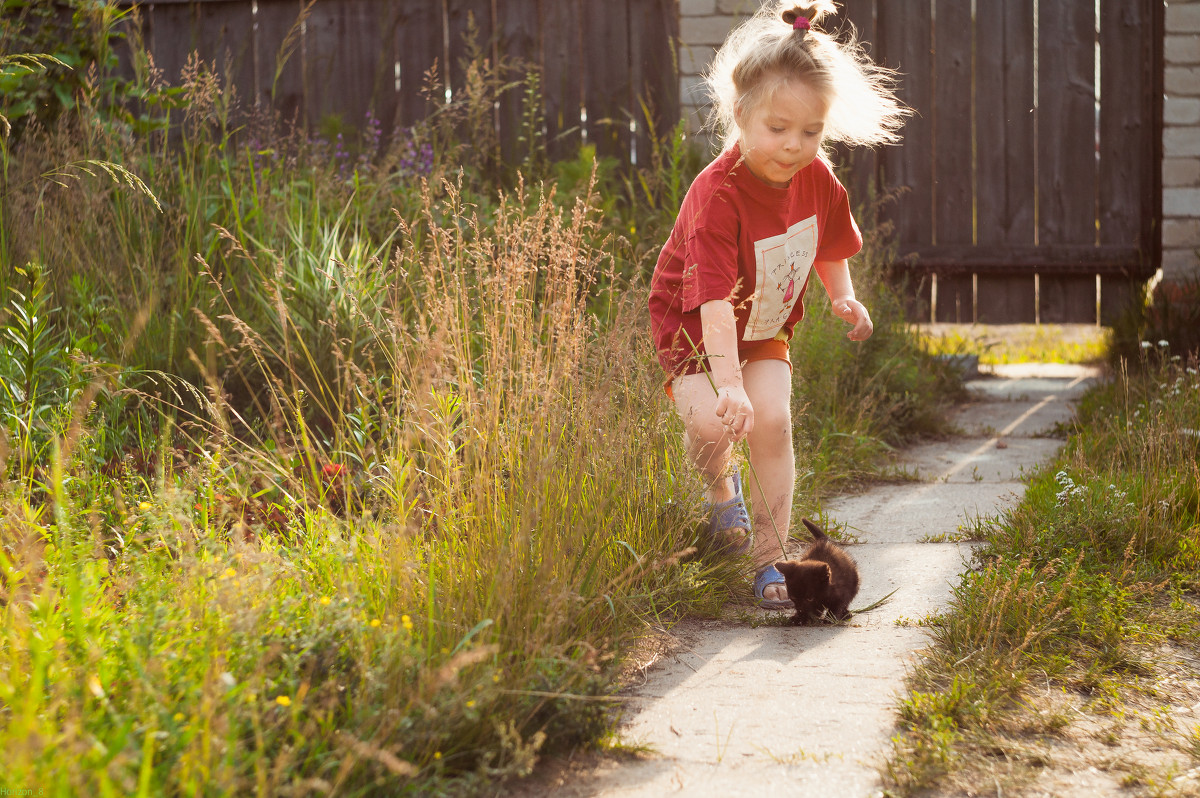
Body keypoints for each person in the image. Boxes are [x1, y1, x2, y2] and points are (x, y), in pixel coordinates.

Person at [648, 1, 908, 607]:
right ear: (741, 115)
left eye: (811, 131)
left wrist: (844, 297)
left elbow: (827, 244)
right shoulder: (718, 195)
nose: (795, 146)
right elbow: (711, 302)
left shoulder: (817, 177)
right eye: (778, 129)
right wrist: (728, 383)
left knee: (773, 421)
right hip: (693, 321)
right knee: (714, 424)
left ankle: (771, 561)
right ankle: (720, 494)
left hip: (762, 321)